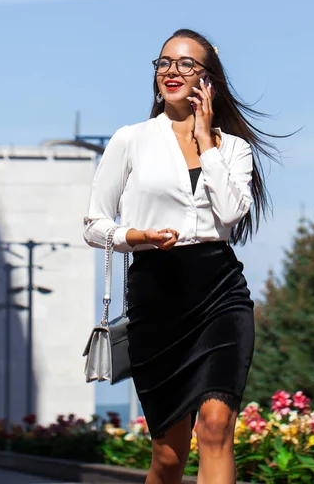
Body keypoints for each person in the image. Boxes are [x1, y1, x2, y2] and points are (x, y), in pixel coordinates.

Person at [83, 28, 279, 484]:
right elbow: (93, 224)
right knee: (169, 456)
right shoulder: (131, 140)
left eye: (186, 64)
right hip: (157, 296)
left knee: (216, 430)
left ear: (208, 79)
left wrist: (207, 142)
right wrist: (137, 235)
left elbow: (229, 214)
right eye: (165, 62)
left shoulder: (233, 149)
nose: (173, 72)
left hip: (220, 294)